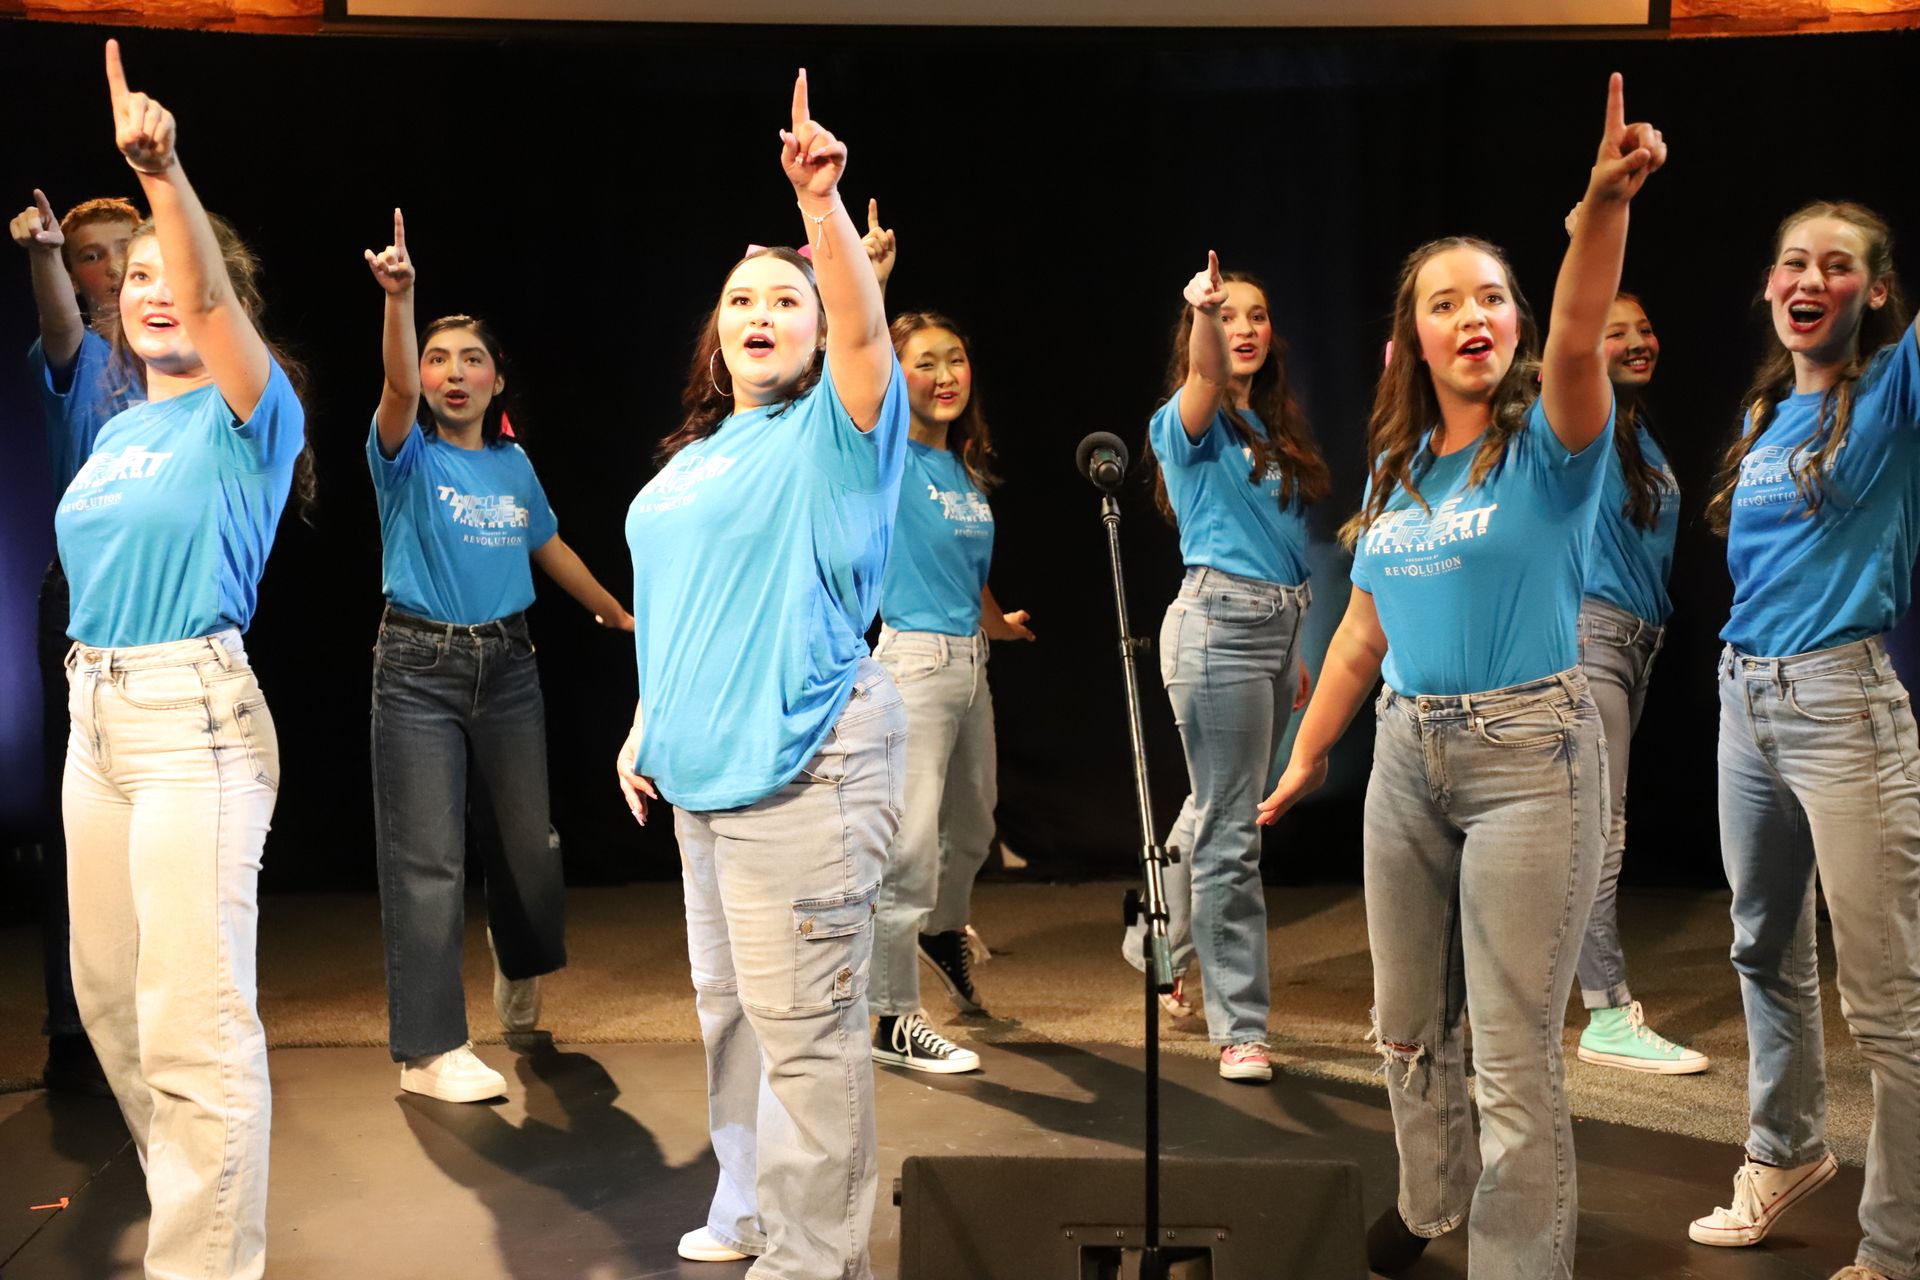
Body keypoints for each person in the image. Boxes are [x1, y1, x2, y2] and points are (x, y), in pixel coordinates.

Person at [1259, 75, 1664, 1277]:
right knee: (1403, 1027)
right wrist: (1309, 751)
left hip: (1530, 757)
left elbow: (1584, 326)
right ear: (1413, 336)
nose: (1474, 316)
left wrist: (1599, 208)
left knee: (1511, 1046)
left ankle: (1513, 1257)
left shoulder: (1554, 442)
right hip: (1405, 757)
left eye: (1493, 297)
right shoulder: (1397, 475)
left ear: (1515, 321)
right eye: (1448, 302)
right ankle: (1431, 1199)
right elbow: (1361, 633)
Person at [617, 70, 906, 1278]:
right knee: (732, 1014)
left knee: (806, 1033)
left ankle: (813, 1253)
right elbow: (683, 607)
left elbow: (862, 329)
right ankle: (745, 1200)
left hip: (805, 766)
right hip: (700, 776)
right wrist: (644, 719)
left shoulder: (838, 429)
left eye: (784, 297)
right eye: (740, 298)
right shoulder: (697, 455)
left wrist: (822, 216)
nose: (761, 311)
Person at [58, 40, 316, 1279]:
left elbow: (211, 306)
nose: (155, 288)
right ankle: (199, 1223)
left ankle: (204, 1264)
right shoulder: (114, 432)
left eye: (180, 271)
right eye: (135, 276)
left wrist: (162, 174)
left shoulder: (247, 415)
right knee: (111, 1002)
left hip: (192, 720)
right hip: (94, 717)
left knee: (192, 1025)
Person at [1686, 199, 1920, 1280]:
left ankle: (1898, 1242)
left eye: (1837, 266)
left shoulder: (1892, 392)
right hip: (1747, 699)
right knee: (1761, 945)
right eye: (1792, 262)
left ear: (1875, 294)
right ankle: (1786, 1151)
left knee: (1889, 1001)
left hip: (1843, 707)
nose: (1807, 280)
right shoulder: (1773, 412)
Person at [362, 210, 633, 1102]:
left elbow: (548, 548)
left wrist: (616, 616)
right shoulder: (404, 455)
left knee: (529, 847)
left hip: (509, 667)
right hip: (418, 669)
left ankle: (518, 973)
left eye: (468, 359)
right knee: (429, 859)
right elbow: (395, 387)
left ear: (497, 378)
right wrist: (402, 301)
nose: (450, 373)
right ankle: (430, 1050)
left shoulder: (513, 467)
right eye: (439, 360)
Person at [1120, 250, 1328, 1083]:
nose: (1244, 328)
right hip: (1218, 630)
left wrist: (1300, 649)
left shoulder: (1272, 431)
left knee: (1216, 806)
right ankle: (1240, 1024)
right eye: (1226, 315)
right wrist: (1201, 310)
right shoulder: (1186, 421)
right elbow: (1204, 374)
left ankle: (1154, 943)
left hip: (1278, 632)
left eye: (1255, 315)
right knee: (1233, 833)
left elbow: (1285, 546)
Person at [868, 297, 1033, 1072]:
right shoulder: (886, 455)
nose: (944, 375)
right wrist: (865, 280)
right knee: (907, 848)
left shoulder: (959, 468)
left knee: (972, 828)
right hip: (913, 667)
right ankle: (890, 1019)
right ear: (895, 375)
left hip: (970, 661)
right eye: (924, 362)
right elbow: (849, 369)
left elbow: (968, 575)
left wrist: (997, 622)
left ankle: (940, 932)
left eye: (955, 360)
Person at [11, 186, 141, 1095]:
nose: (101, 271)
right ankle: (73, 1027)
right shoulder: (84, 356)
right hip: (83, 604)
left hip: (168, 608)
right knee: (80, 828)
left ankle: (156, 1016)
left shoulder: (177, 357)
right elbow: (60, 326)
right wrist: (45, 258)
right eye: (86, 255)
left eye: (114, 252)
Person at [1568, 283, 1709, 1074]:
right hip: (1591, 638)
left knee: (1583, 828)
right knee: (1599, 833)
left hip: (1637, 646)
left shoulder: (1638, 431)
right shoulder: (1586, 424)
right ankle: (1608, 1014)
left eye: (1645, 328)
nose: (1636, 341)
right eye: (1615, 331)